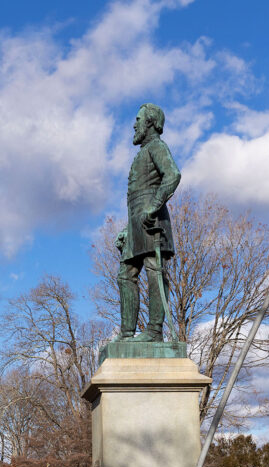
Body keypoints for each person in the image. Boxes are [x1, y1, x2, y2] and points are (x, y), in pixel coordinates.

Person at [113, 103, 181, 343]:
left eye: (138, 119)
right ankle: (126, 334)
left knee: (155, 271)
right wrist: (127, 229)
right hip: (136, 224)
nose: (134, 124)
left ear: (151, 122)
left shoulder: (157, 147)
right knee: (125, 274)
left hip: (152, 221)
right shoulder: (142, 152)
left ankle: (154, 331)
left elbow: (172, 175)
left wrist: (153, 207)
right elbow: (137, 198)